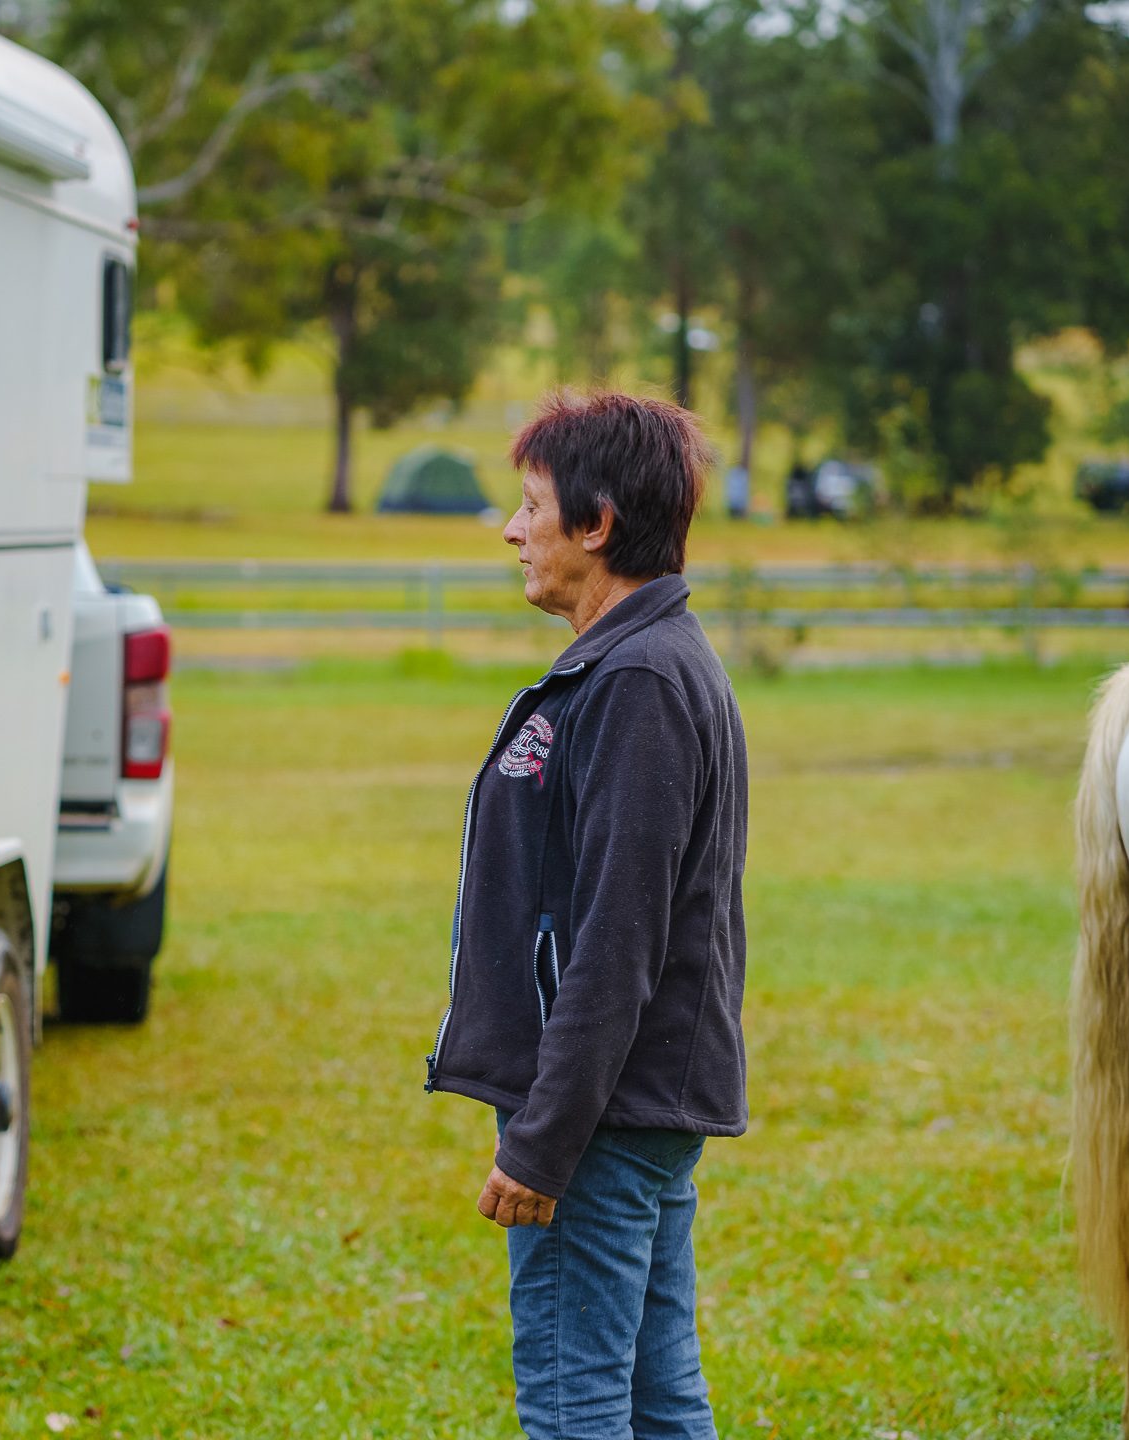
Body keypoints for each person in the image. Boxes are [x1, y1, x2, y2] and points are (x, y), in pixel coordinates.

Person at [424, 388, 749, 1440]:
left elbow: (618, 940)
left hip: (605, 1117)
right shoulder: (631, 665)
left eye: (531, 505)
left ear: (597, 523)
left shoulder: (639, 683)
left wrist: (543, 1138)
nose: (513, 531)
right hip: (632, 1107)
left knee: (576, 1410)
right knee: (659, 1404)